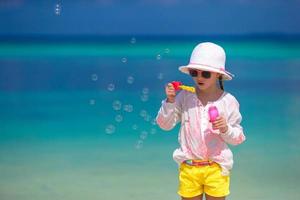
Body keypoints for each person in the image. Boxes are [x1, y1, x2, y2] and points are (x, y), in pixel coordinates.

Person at [156, 42, 246, 200]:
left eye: (205, 74)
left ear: (218, 74)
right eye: (194, 72)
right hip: (189, 167)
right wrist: (170, 101)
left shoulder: (228, 101)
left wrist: (226, 129)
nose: (199, 77)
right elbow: (165, 125)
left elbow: (238, 138)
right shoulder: (184, 97)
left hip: (217, 168)